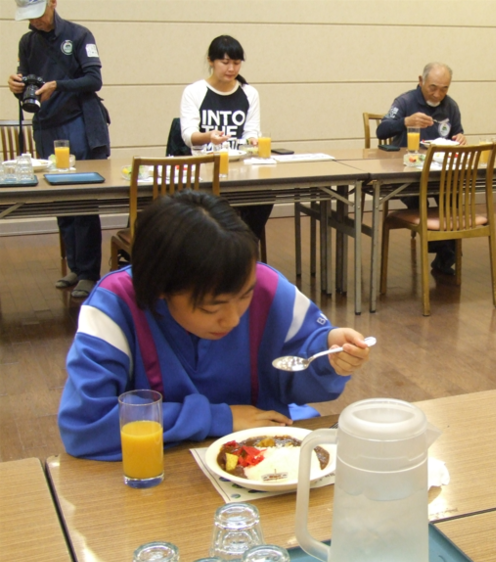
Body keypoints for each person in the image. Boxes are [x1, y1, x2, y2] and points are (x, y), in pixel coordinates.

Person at [57, 190, 372, 460]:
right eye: (212, 307)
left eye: (244, 296)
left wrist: (327, 354)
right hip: (161, 471)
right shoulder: (115, 306)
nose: (233, 319)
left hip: (264, 462)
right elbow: (86, 425)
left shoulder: (268, 288)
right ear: (160, 287)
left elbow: (296, 371)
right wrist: (218, 418)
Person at [8, 0, 110, 299]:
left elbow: (94, 80)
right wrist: (17, 86)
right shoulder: (27, 42)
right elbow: (29, 83)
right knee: (60, 199)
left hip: (78, 122)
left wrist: (58, 85)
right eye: (29, 17)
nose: (34, 22)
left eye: (37, 14)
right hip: (46, 124)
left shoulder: (79, 35)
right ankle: (76, 267)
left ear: (52, 3)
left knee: (82, 198)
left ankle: (89, 273)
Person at [376, 62, 466, 276]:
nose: (438, 94)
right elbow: (382, 130)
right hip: (408, 173)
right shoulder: (405, 101)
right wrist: (405, 121)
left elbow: (458, 133)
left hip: (440, 173)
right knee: (419, 200)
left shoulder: (451, 106)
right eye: (433, 87)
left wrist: (461, 137)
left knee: (452, 200)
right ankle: (442, 247)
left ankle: (444, 253)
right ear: (421, 81)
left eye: (444, 89)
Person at [180, 35, 272, 240]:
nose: (231, 69)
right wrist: (208, 137)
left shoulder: (249, 93)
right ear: (211, 61)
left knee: (265, 195)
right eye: (225, 62)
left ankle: (244, 245)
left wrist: (252, 141)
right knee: (212, 207)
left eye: (236, 63)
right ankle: (224, 247)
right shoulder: (194, 91)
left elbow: (250, 131)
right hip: (205, 169)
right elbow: (188, 135)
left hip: (240, 168)